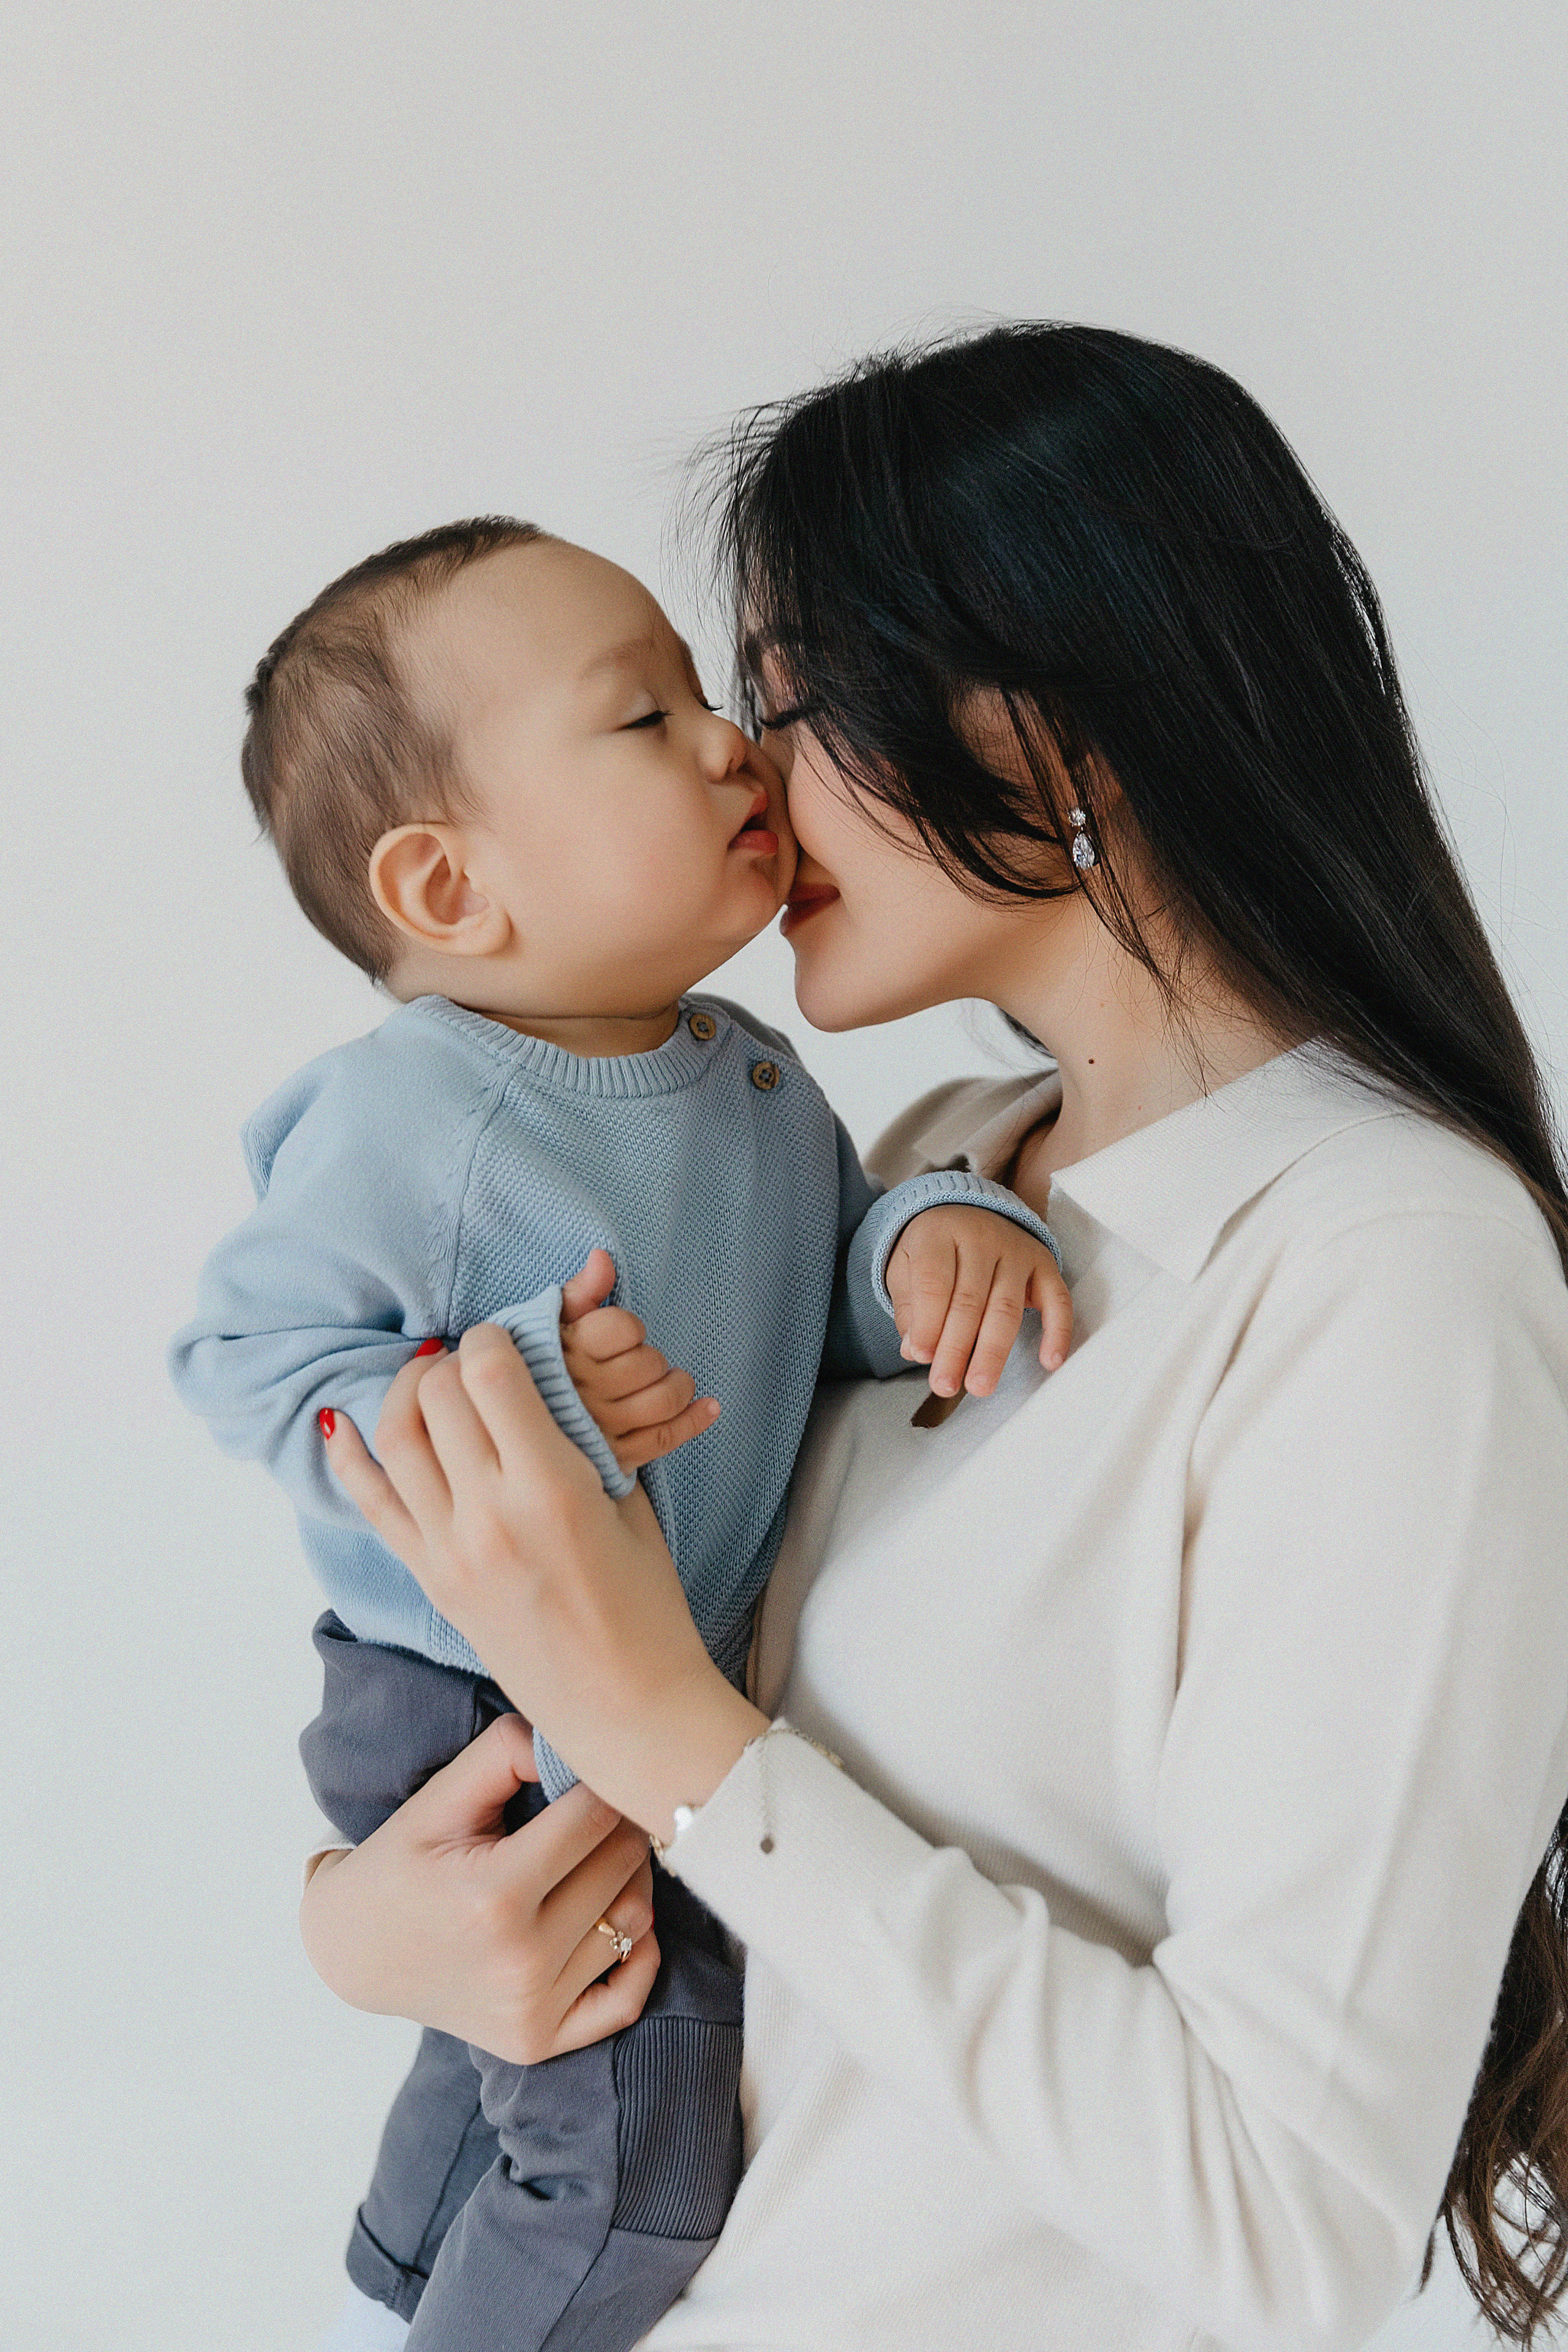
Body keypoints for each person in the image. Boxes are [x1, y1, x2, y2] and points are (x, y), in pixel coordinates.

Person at [304, 324, 1568, 2352]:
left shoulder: (1386, 1265)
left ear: (1070, 716)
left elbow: (1291, 2219)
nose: (735, 764)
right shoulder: (928, 1185)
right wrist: (375, 1927)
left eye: (788, 694)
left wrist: (666, 1737)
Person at [168, 520, 1069, 2352]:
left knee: (510, 2046)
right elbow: (246, 1359)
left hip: (635, 1672)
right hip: (466, 1697)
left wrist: (933, 1240)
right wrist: (508, 1391)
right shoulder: (415, 1114)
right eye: (641, 717)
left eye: (704, 697)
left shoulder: (740, 1071)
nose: (734, 743)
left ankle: (394, 2281)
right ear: (447, 888)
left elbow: (822, 1292)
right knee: (636, 2151)